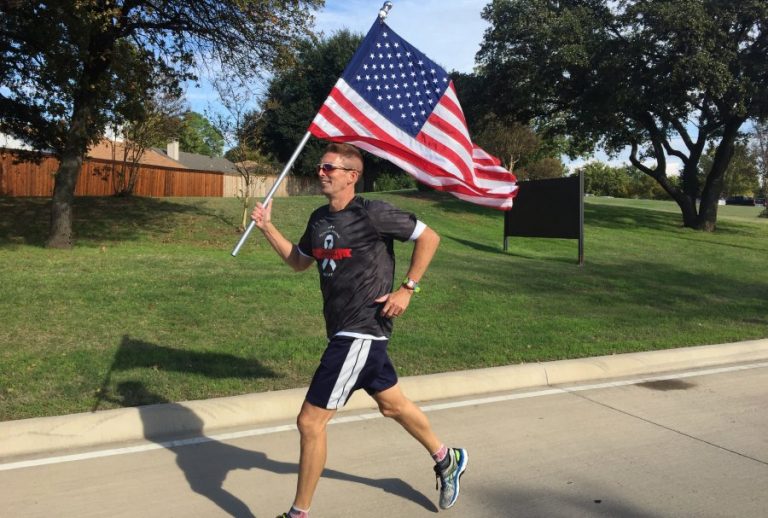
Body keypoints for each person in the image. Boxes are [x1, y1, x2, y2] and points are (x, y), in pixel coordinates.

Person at [251, 143, 468, 518]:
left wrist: (408, 288)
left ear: (352, 176)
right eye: (321, 166)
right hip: (343, 330)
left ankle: (298, 514)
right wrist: (268, 227)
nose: (322, 172)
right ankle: (448, 458)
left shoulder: (373, 213)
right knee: (392, 405)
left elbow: (429, 237)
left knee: (310, 421)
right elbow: (300, 262)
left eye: (330, 167)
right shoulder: (319, 219)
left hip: (362, 329)